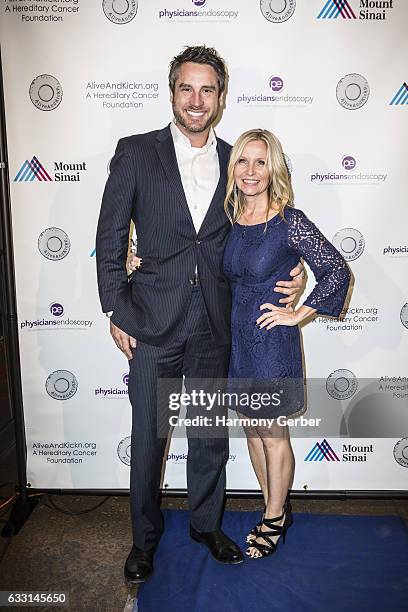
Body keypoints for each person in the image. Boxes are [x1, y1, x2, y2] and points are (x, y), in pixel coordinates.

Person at [96, 47, 303, 583]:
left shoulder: (240, 161)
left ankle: (206, 525)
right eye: (187, 88)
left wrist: (297, 275)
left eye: (207, 89)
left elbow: (263, 231)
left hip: (216, 321)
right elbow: (111, 236)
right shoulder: (136, 152)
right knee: (149, 437)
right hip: (151, 320)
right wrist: (117, 306)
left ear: (220, 96)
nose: (196, 100)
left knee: (209, 434)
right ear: (171, 92)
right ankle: (144, 540)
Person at [222, 129, 351, 559]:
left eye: (261, 162)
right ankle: (272, 506)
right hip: (236, 342)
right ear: (234, 166)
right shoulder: (227, 218)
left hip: (271, 345)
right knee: (252, 431)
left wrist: (299, 311)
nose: (251, 171)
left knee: (273, 433)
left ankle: (275, 518)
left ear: (273, 168)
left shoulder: (288, 221)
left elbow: (336, 270)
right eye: (243, 161)